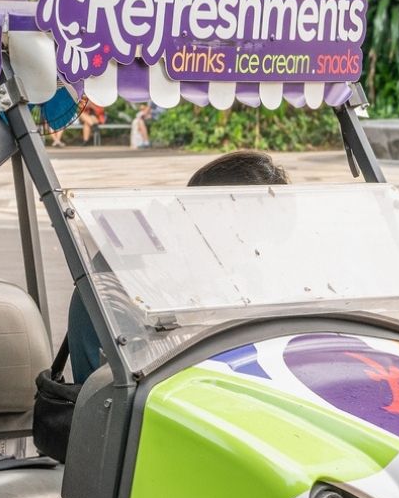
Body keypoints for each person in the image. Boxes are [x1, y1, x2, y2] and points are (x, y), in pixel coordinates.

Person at [66, 149, 289, 383]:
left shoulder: (217, 265)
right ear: (218, 209)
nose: (250, 251)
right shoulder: (132, 269)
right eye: (249, 235)